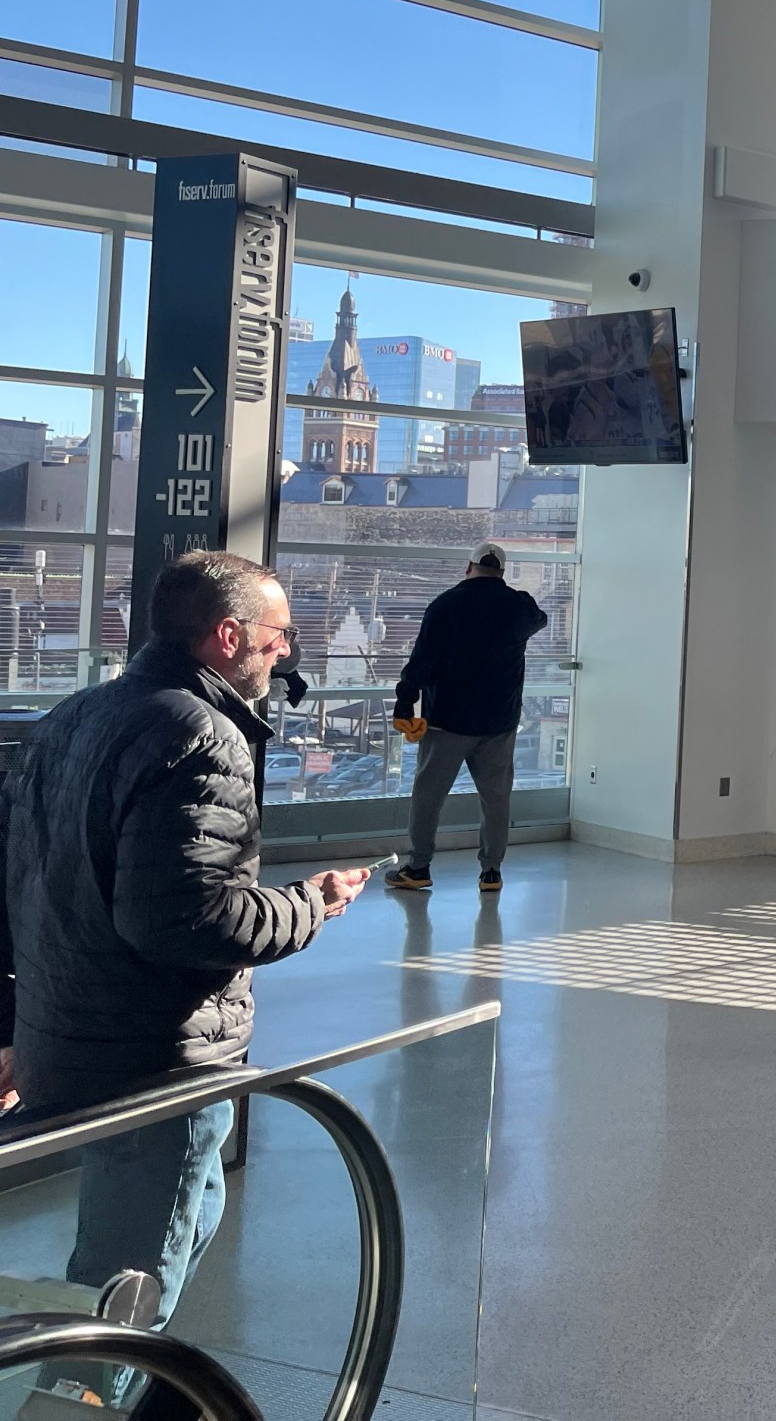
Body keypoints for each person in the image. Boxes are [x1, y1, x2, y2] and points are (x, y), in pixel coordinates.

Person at [0, 552, 369, 1409]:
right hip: (156, 1055)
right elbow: (188, 919)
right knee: (128, 1273)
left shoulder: (75, 716)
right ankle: (83, 1400)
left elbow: (18, 881)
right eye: (278, 640)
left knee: (187, 1213)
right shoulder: (202, 735)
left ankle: (128, 1386)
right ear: (229, 635)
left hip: (79, 1031)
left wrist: (18, 1020)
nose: (285, 657)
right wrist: (309, 905)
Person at [385, 542, 547, 896]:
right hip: (499, 722)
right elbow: (540, 619)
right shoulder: (519, 607)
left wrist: (404, 702)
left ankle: (418, 867)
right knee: (495, 798)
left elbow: (422, 660)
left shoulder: (445, 606)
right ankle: (491, 872)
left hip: (447, 720)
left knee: (429, 795)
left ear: (468, 566)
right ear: (502, 572)